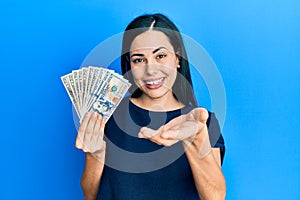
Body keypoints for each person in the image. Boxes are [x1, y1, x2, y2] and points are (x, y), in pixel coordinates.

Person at [76, 13, 226, 200]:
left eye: (160, 56)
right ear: (129, 64)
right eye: (139, 59)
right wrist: (95, 154)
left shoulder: (203, 121)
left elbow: (215, 196)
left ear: (177, 58)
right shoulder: (107, 114)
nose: (150, 70)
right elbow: (90, 195)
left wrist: (196, 138)